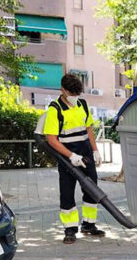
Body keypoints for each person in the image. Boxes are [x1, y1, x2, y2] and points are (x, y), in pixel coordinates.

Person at [43, 74, 105, 244]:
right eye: (72, 94)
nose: (75, 97)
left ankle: (89, 225)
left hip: (85, 153)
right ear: (63, 90)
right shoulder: (55, 109)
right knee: (67, 193)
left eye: (78, 94)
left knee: (92, 189)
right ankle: (70, 230)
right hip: (67, 157)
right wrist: (71, 156)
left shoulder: (82, 104)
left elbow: (89, 129)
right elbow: (51, 140)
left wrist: (95, 150)